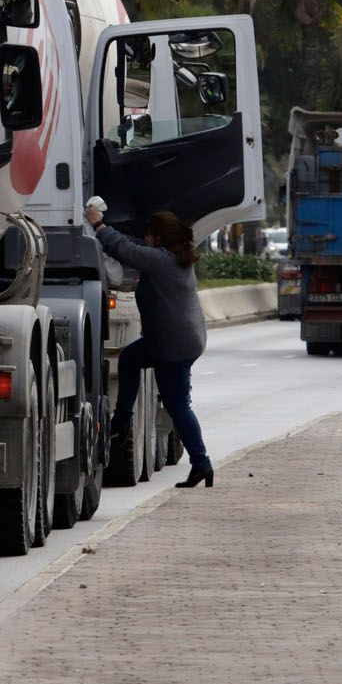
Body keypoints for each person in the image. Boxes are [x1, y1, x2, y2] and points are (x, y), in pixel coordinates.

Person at [85, 203, 214, 488]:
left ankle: (202, 463)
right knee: (131, 359)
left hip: (173, 346)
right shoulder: (174, 257)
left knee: (178, 406)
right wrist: (111, 231)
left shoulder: (161, 261)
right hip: (177, 340)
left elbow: (127, 251)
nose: (145, 239)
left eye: (148, 235)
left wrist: (98, 226)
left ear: (157, 238)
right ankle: (122, 421)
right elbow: (134, 245)